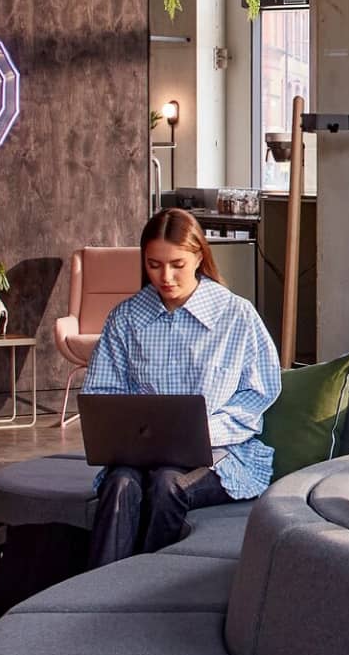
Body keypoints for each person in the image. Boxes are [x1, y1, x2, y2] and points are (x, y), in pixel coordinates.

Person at [79, 208, 281, 566]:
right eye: (154, 265)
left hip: (220, 456)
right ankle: (97, 596)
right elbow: (101, 394)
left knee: (166, 485)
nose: (165, 277)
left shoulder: (236, 315)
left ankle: (148, 590)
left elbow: (259, 393)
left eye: (177, 264)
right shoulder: (126, 318)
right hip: (137, 457)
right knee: (120, 485)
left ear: (199, 257)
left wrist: (201, 431)